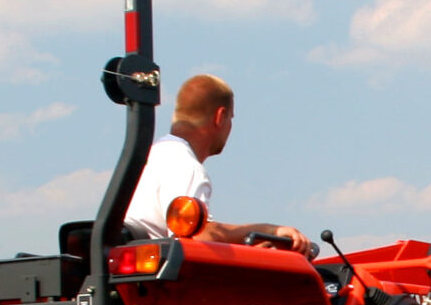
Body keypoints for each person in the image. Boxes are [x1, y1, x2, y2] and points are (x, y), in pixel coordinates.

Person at [124, 74, 316, 256]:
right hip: (156, 285)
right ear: (220, 117)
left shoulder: (152, 155)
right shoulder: (185, 166)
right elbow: (196, 236)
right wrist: (269, 230)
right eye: (230, 119)